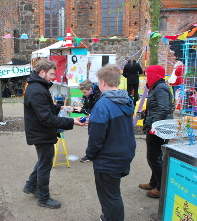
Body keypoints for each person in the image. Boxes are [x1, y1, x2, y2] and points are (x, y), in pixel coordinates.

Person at [23, 58, 85, 209]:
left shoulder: (38, 87)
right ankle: (43, 198)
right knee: (45, 164)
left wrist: (64, 109)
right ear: (42, 72)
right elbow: (46, 118)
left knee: (44, 160)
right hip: (41, 133)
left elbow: (47, 108)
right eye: (51, 74)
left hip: (41, 132)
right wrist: (72, 122)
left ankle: (31, 186)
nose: (53, 77)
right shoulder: (37, 90)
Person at [85, 64, 136, 221]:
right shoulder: (125, 99)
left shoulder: (103, 104)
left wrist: (90, 154)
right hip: (124, 153)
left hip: (109, 159)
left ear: (102, 83)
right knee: (112, 192)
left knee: (110, 196)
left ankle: (111, 217)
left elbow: (96, 137)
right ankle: (108, 215)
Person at [139, 65, 173, 198]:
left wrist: (153, 124)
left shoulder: (160, 88)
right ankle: (154, 183)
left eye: (148, 74)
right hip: (156, 127)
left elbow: (164, 109)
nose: (146, 77)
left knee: (154, 158)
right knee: (155, 157)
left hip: (158, 129)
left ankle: (160, 187)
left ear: (155, 75)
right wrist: (147, 112)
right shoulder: (157, 87)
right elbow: (159, 107)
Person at [72, 79, 102, 163]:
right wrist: (75, 110)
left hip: (99, 118)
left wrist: (82, 110)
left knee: (95, 137)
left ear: (91, 89)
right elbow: (86, 107)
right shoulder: (87, 95)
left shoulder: (98, 95)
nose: (84, 94)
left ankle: (91, 155)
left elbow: (94, 110)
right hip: (93, 118)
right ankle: (92, 154)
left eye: (85, 92)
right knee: (93, 136)